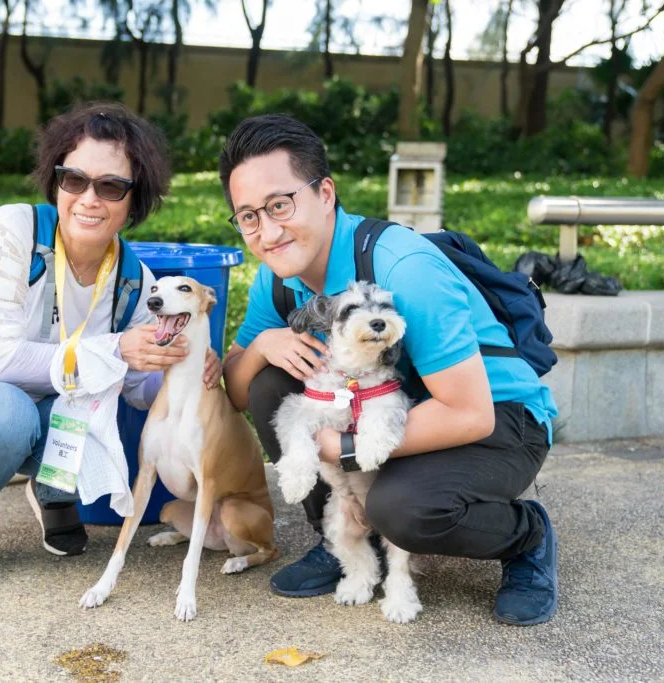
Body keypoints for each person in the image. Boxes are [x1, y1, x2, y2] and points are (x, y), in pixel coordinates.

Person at [219, 114, 560, 626]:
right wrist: (264, 344)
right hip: (396, 409)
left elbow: (471, 414)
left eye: (279, 205)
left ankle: (525, 534)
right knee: (274, 382)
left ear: (326, 193)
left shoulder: (404, 267)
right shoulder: (278, 280)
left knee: (403, 509)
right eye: (249, 216)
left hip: (501, 419)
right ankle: (347, 540)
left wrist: (337, 448)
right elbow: (242, 393)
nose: (267, 231)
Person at [0, 102, 220, 593]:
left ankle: (51, 492)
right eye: (75, 180)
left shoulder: (134, 279)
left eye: (111, 186)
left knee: (96, 403)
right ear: (56, 179)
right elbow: (0, 362)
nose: (89, 198)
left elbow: (136, 389)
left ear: (134, 200)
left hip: (46, 399)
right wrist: (117, 350)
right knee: (9, 414)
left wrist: (185, 363)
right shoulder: (16, 230)